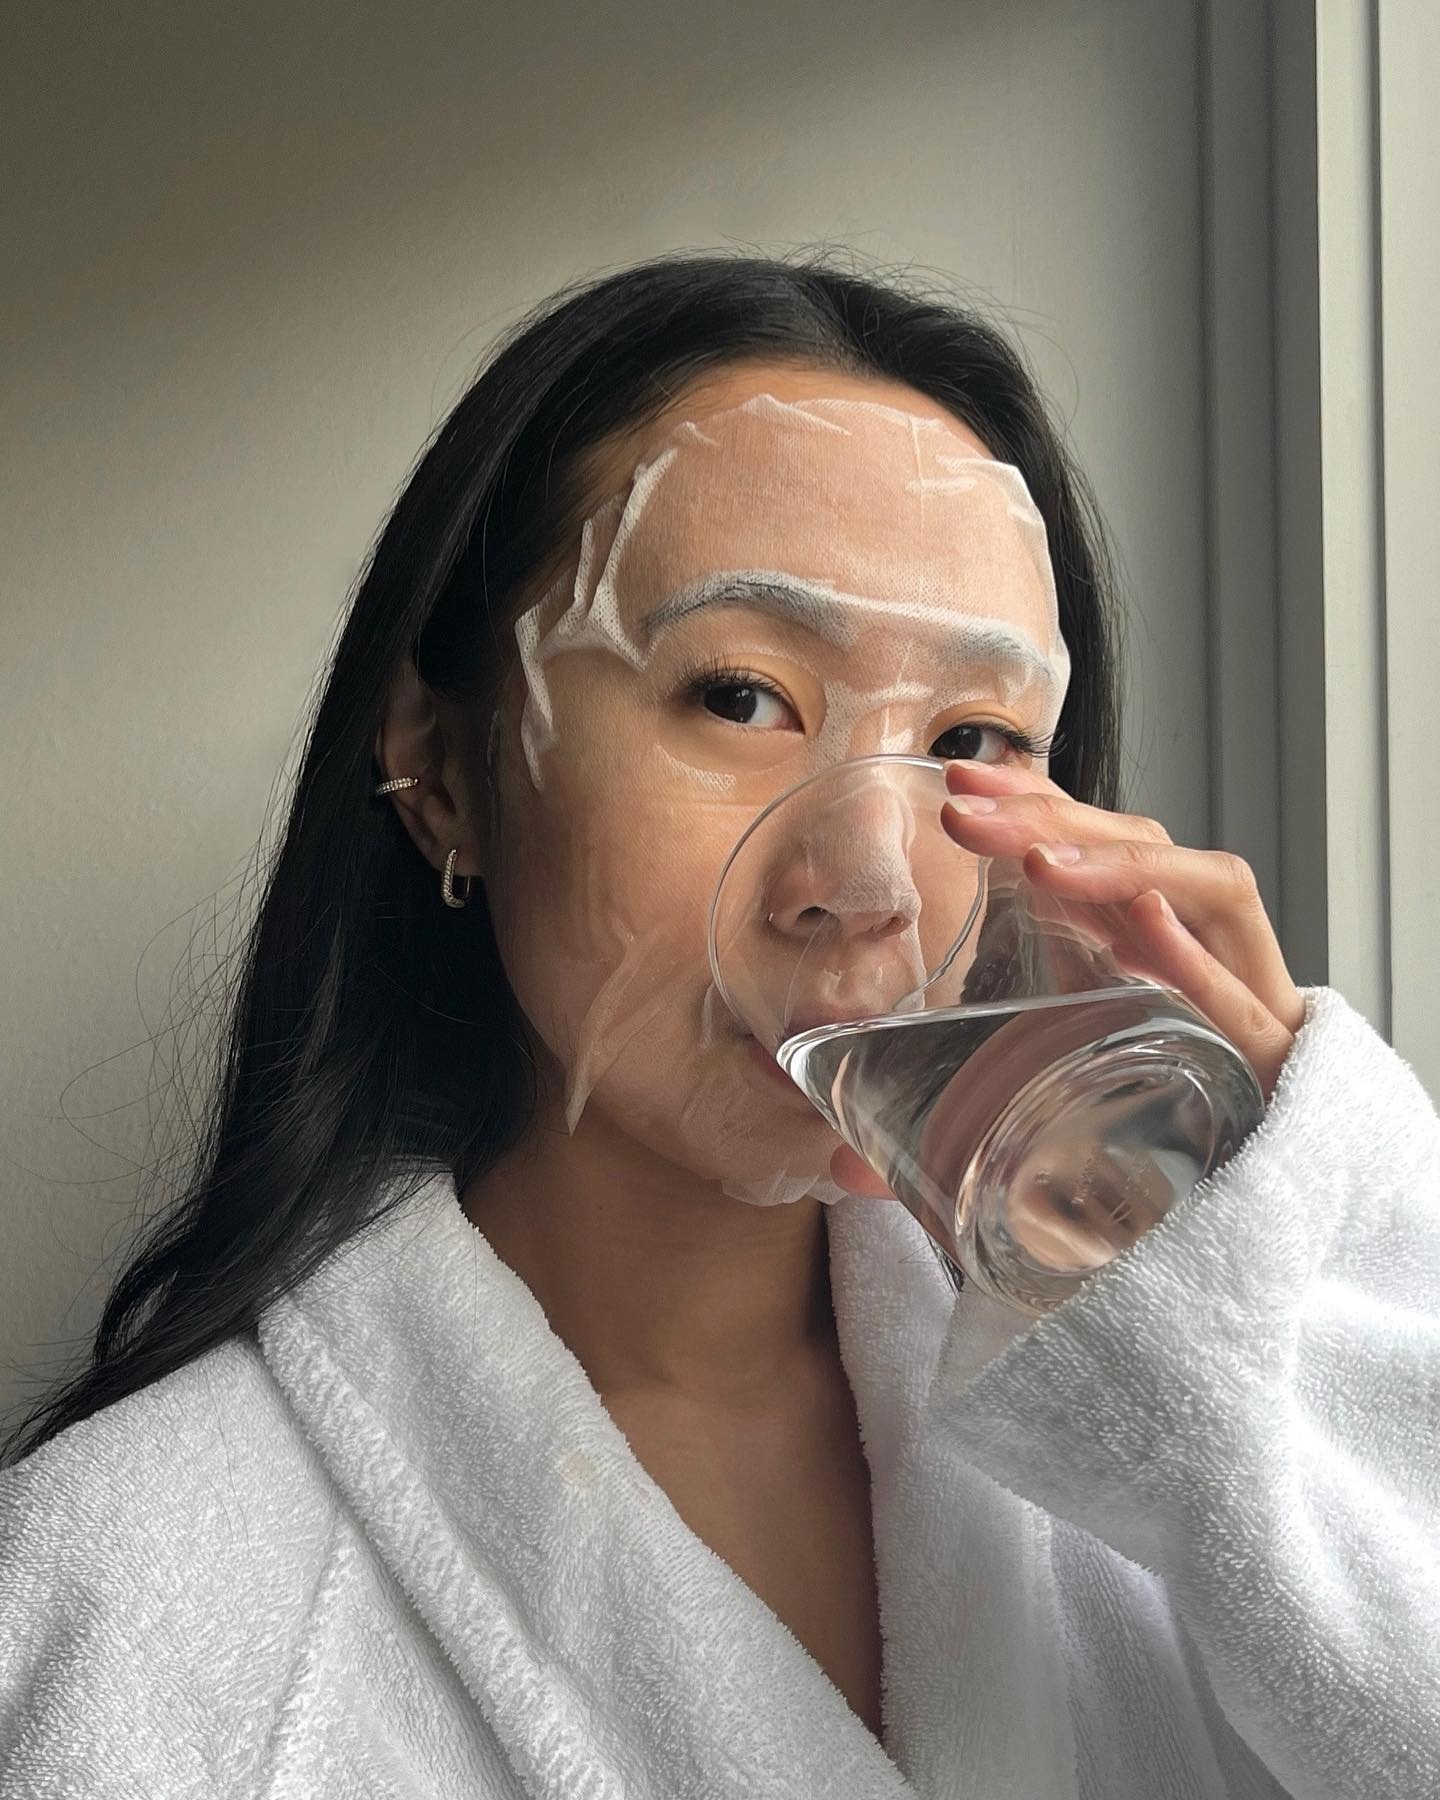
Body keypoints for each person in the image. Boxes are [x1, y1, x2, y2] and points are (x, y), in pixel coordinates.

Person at [2, 252, 1437, 1800]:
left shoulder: (1184, 1453)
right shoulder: (126, 1597)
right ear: (442, 769)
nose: (872, 881)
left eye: (971, 739)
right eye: (741, 698)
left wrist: (1328, 1221)